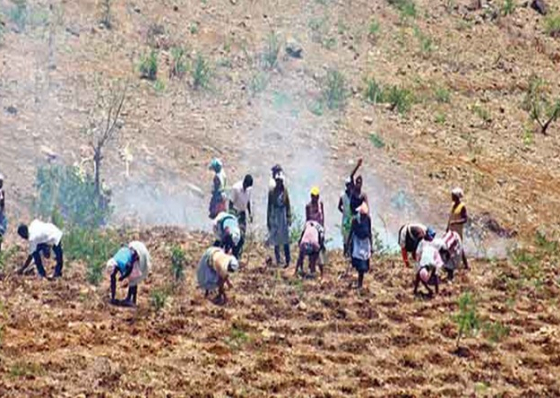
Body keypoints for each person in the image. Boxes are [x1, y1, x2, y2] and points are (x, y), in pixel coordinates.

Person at [106, 241, 151, 307]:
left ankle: (133, 301)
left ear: (116, 267)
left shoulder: (122, 263)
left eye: (114, 272)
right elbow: (113, 280)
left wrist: (124, 276)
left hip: (139, 254)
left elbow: (130, 268)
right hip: (130, 252)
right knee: (132, 278)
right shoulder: (114, 263)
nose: (114, 273)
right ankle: (129, 299)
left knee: (134, 278)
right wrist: (112, 298)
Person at [267, 170, 292, 268]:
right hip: (275, 215)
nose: (279, 183)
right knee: (276, 239)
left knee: (285, 239)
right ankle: (278, 260)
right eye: (277, 181)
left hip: (283, 215)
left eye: (280, 181)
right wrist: (268, 219)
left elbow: (288, 204)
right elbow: (269, 206)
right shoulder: (272, 192)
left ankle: (288, 260)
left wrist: (289, 217)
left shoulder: (285, 191)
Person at [346, 203, 372, 289]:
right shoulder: (355, 220)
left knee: (363, 263)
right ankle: (359, 283)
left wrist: (371, 246)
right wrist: (347, 245)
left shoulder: (368, 219)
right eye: (362, 215)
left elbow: (370, 232)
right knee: (358, 263)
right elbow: (351, 232)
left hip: (365, 243)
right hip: (357, 242)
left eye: (365, 215)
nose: (364, 216)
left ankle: (360, 283)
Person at [338, 178, 353, 255]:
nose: (349, 187)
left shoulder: (354, 195)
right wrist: (344, 212)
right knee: (345, 236)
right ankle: (345, 252)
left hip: (353, 218)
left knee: (352, 235)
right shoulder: (343, 196)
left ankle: (350, 252)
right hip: (346, 218)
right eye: (348, 185)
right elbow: (339, 207)